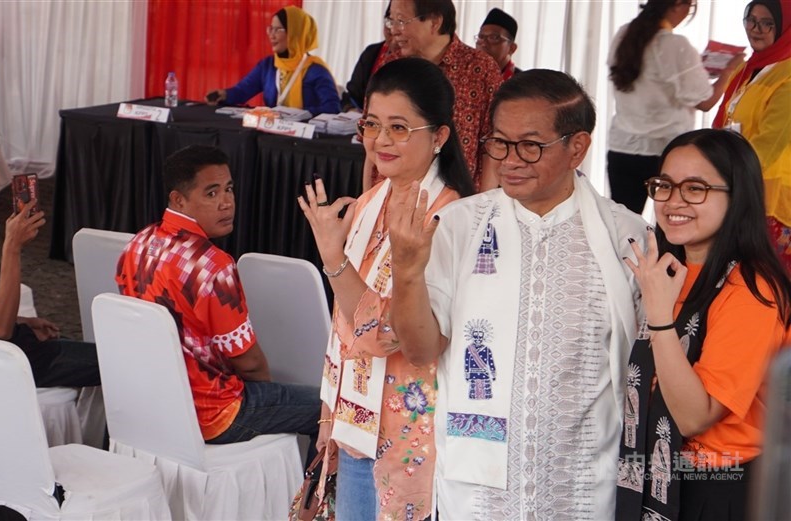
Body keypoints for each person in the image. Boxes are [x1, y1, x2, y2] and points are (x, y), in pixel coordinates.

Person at [389, 70, 649, 520]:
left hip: (580, 484)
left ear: (578, 148)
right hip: (480, 490)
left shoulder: (625, 236)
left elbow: (643, 369)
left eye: (530, 146)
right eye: (500, 143)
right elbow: (420, 349)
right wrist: (407, 273)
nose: (510, 160)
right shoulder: (460, 225)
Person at [298, 58, 474, 521]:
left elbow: (384, 332)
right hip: (355, 421)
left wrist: (334, 260)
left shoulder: (447, 218)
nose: (380, 141)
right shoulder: (376, 197)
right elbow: (344, 322)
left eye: (399, 127)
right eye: (372, 124)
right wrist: (328, 410)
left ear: (439, 136)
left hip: (406, 434)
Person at [615, 129, 791, 520]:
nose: (674, 202)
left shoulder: (751, 290)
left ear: (737, 196)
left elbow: (694, 416)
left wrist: (660, 319)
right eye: (664, 185)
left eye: (695, 189)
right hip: (656, 476)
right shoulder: (668, 269)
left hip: (719, 488)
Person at [116, 145, 320, 460]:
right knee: (334, 412)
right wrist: (265, 393)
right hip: (214, 414)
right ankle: (315, 508)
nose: (227, 203)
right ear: (178, 200)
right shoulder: (213, 264)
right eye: (211, 194)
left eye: (229, 189)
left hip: (153, 401)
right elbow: (249, 363)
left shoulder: (138, 243)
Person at [607, 0, 744, 214]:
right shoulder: (675, 45)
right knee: (673, 222)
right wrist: (729, 71)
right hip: (665, 150)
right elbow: (706, 102)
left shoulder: (624, 33)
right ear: (679, 5)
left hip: (622, 147)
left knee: (622, 226)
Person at [0, 126, 100, 388]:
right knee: (126, 364)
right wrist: (12, 248)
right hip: (12, 363)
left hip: (18, 349)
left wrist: (23, 322)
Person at [379, 0, 503, 191]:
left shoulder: (480, 69)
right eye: (391, 20)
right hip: (389, 196)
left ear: (435, 22)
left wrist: (482, 208)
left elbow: (493, 144)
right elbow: (371, 137)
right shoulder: (391, 66)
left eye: (401, 20)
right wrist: (367, 201)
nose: (394, 30)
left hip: (457, 202)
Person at [713, 0, 791, 273]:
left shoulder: (788, 73)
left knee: (770, 285)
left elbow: (769, 144)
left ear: (784, 27)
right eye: (750, 20)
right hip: (737, 187)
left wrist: (719, 174)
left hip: (771, 200)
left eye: (767, 23)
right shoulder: (745, 69)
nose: (755, 29)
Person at [206, 6, 340, 116]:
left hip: (305, 139)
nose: (271, 35)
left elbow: (332, 107)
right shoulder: (268, 66)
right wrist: (224, 95)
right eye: (270, 28)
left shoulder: (315, 70)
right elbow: (242, 91)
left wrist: (304, 113)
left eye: (278, 29)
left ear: (295, 34)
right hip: (272, 135)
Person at [341, 3, 400, 112]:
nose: (393, 30)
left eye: (400, 22)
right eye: (389, 22)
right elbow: (351, 96)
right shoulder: (372, 53)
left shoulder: (421, 58)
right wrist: (351, 110)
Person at [475, 8, 521, 81]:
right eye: (481, 37)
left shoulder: (523, 84)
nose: (483, 43)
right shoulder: (468, 75)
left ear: (512, 48)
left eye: (493, 38)